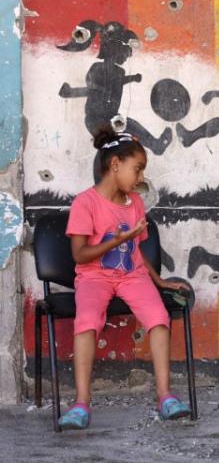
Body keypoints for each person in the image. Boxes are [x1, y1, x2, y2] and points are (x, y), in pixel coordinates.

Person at [59, 128, 191, 430]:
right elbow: (80, 255)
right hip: (94, 276)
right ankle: (81, 404)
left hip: (132, 275)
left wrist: (159, 281)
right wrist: (118, 239)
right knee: (87, 320)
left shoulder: (135, 203)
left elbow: (136, 250)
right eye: (138, 169)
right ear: (115, 164)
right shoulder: (85, 203)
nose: (141, 177)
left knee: (159, 317)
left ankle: (165, 397)